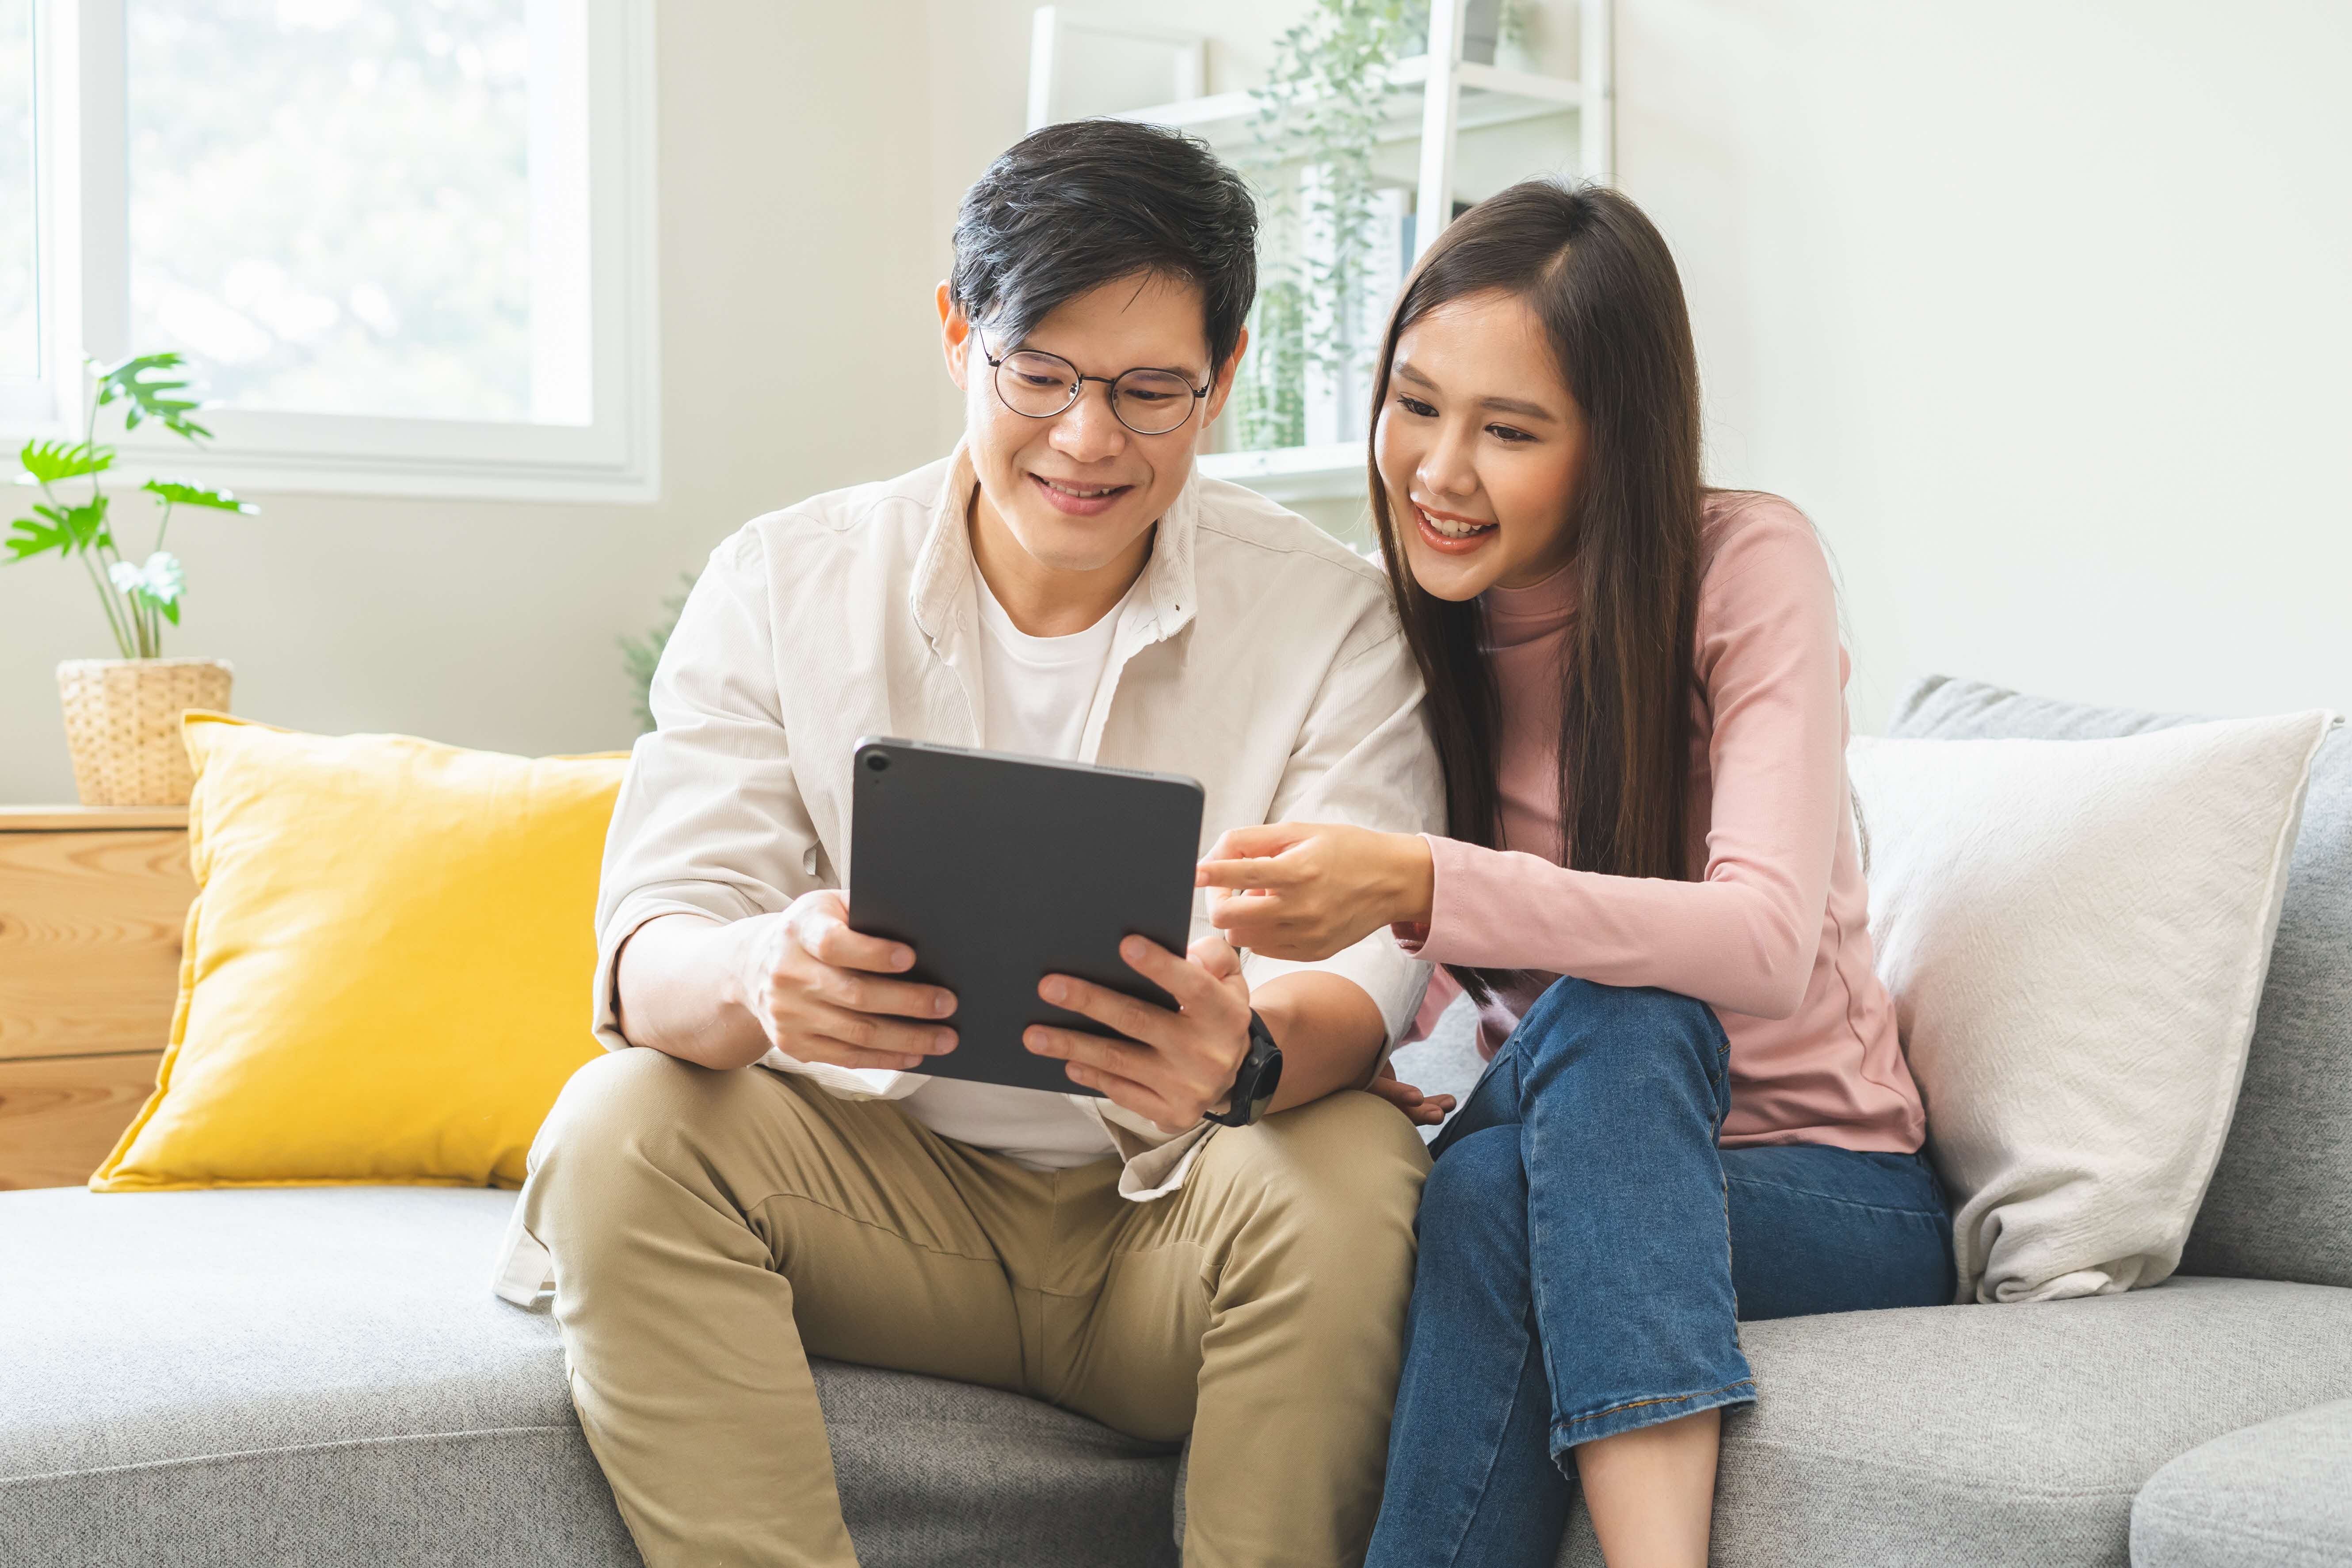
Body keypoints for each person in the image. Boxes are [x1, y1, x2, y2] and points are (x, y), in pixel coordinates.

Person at [492, 119, 1447, 1568]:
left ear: (1226, 376)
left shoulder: (1325, 613)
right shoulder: (783, 580)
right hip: (869, 1207)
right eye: (1041, 375)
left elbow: (1369, 966)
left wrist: (1243, 1054)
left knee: (1356, 1162)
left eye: (1147, 392)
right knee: (615, 1127)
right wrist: (762, 971)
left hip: (1174, 1225)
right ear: (957, 333)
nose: (1086, 440)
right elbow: (649, 950)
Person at [1195, 181, 1956, 1568]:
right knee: (1488, 1182)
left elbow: (1762, 942)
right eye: (1415, 404)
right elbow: (1440, 988)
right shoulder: (1409, 634)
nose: (1437, 470)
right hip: (1552, 1154)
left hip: (1823, 1182)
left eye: (1509, 430)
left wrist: (1418, 881)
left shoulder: (1747, 563)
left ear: (1615, 445)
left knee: (1625, 1010)